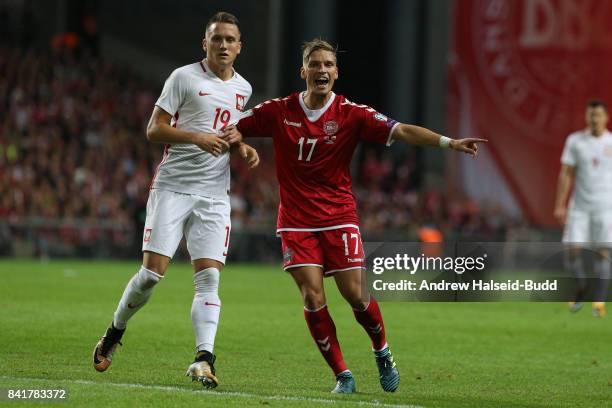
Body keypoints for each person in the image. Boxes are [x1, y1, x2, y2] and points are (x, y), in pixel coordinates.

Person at [228, 39, 486, 394]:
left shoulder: (351, 114)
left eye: (328, 65)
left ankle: (381, 350)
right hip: (296, 221)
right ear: (303, 71)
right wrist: (241, 145)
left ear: (336, 72)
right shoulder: (278, 110)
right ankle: (343, 375)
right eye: (315, 64)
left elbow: (403, 130)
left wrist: (449, 142)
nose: (322, 70)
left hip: (338, 216)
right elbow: (233, 126)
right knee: (312, 297)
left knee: (355, 295)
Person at [92, 11, 259, 388]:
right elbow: (154, 129)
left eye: (229, 39)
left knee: (209, 278)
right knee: (151, 275)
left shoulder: (243, 89)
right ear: (205, 44)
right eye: (216, 38)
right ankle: (115, 332)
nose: (223, 45)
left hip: (215, 194)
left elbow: (229, 132)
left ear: (239, 47)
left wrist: (243, 148)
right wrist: (198, 138)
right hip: (173, 187)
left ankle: (204, 358)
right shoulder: (183, 77)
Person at [554, 100, 612, 317]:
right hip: (579, 206)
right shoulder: (576, 141)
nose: (594, 119)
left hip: (606, 207)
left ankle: (599, 303)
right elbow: (566, 173)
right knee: (571, 251)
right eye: (590, 115)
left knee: (603, 254)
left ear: (606, 117)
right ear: (586, 117)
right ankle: (580, 287)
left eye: (598, 115)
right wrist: (559, 204)